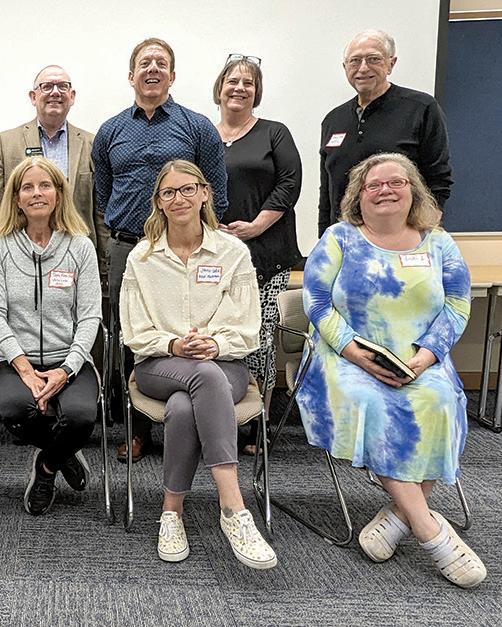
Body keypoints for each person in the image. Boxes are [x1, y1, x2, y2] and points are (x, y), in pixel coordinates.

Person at [296, 153, 485, 588]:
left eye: (396, 182)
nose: (385, 190)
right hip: (344, 356)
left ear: (413, 190)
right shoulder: (339, 239)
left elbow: (458, 305)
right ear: (358, 196)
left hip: (420, 358)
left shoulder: (438, 243)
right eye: (374, 185)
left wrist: (427, 355)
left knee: (440, 402)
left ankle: (401, 516)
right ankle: (431, 531)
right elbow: (317, 303)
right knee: (372, 402)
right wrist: (355, 353)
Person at [120, 159, 276, 569]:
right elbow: (134, 331)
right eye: (169, 192)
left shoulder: (233, 252)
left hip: (225, 364)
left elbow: (248, 327)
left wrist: (214, 343)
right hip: (158, 365)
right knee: (202, 378)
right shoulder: (142, 258)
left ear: (205, 193)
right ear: (158, 201)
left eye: (188, 189)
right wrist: (173, 344)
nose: (179, 198)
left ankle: (171, 513)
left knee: (184, 405)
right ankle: (234, 508)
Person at [93, 37, 229, 463]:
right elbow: (103, 196)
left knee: (187, 326)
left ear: (172, 75)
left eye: (161, 63)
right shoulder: (110, 131)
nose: (152, 69)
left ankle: (187, 420)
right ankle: (136, 431)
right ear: (131, 75)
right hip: (129, 247)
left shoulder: (197, 127)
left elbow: (216, 193)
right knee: (128, 336)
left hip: (185, 251)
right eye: (144, 63)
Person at [0, 156, 102, 515]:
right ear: (16, 199)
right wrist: (24, 369)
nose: (37, 193)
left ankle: (47, 465)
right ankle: (65, 453)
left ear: (59, 194)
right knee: (16, 412)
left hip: (69, 358)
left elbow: (90, 316)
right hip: (14, 360)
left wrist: (66, 369)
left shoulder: (80, 246)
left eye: (45, 185)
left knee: (82, 418)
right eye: (27, 187)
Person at [212, 54, 302, 452]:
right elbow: (191, 185)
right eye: (232, 81)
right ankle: (223, 415)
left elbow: (290, 183)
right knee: (222, 337)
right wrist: (210, 225)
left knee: (261, 338)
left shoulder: (274, 133)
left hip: (266, 254)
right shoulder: (205, 135)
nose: (239, 88)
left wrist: (257, 225)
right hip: (217, 257)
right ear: (219, 89)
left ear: (257, 92)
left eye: (248, 83)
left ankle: (257, 422)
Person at [319, 29, 452, 236]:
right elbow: (327, 191)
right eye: (355, 61)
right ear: (345, 67)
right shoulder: (333, 120)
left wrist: (423, 234)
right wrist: (324, 239)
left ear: (391, 63)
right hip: (345, 240)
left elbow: (439, 179)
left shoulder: (421, 108)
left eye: (373, 59)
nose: (363, 68)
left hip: (402, 239)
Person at [0, 65, 107, 275]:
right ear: (33, 96)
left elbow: (100, 212)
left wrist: (104, 267)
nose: (55, 92)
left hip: (76, 256)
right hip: (19, 256)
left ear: (72, 96)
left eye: (62, 86)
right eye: (47, 86)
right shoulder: (6, 143)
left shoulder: (91, 144)